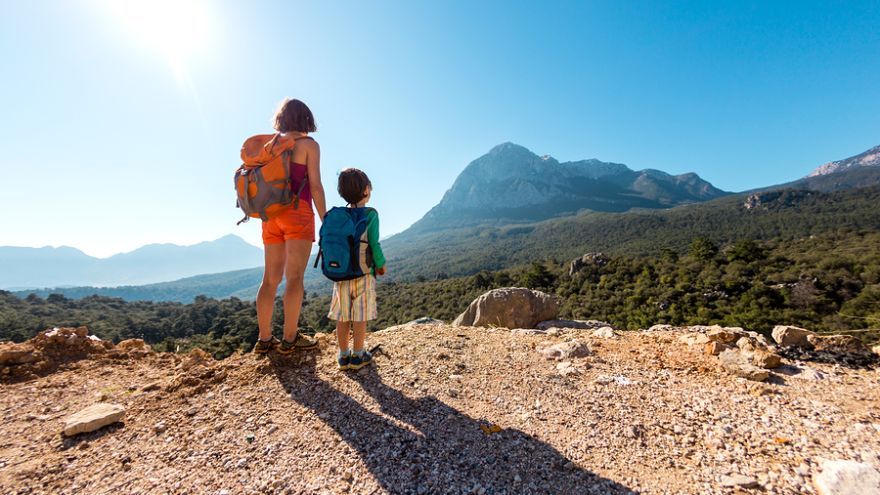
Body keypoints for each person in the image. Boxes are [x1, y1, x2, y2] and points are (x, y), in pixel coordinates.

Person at [252, 98, 327, 356]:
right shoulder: (309, 145)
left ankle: (264, 339)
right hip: (298, 213)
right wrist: (325, 217)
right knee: (294, 278)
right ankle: (290, 338)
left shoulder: (270, 146)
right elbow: (315, 186)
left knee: (269, 280)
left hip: (270, 215)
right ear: (306, 119)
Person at [330, 168, 386, 370]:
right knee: (359, 316)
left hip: (340, 274)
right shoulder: (370, 214)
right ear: (366, 190)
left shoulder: (337, 215)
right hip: (364, 275)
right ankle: (358, 355)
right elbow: (374, 243)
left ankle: (343, 356)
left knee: (342, 316)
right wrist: (380, 264)